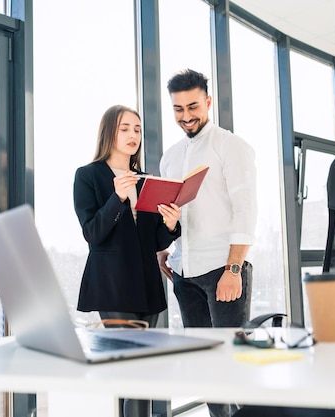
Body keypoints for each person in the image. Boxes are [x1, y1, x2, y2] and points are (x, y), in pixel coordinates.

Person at [158, 69, 257, 417]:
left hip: (223, 270)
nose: (186, 116)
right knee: (206, 365)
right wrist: (164, 249)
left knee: (232, 363)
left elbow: (245, 212)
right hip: (185, 273)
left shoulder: (231, 146)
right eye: (178, 109)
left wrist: (234, 270)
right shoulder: (169, 157)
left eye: (193, 106)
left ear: (208, 102)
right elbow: (173, 214)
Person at [73, 104, 181, 417]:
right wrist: (117, 198)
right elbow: (93, 233)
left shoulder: (147, 180)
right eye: (125, 128)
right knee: (129, 372)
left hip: (147, 284)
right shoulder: (88, 176)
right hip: (113, 285)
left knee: (143, 372)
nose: (133, 135)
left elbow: (154, 241)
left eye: (137, 129)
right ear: (109, 132)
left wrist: (171, 226)